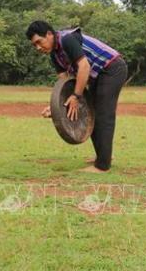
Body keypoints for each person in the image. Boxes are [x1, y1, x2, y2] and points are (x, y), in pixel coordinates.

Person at [26, 21, 128, 173]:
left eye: (39, 42)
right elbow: (66, 83)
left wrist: (76, 96)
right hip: (96, 76)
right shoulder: (54, 56)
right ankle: (103, 156)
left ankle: (102, 165)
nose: (38, 47)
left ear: (49, 34)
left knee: (103, 115)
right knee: (91, 113)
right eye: (34, 45)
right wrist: (56, 108)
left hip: (112, 68)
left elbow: (84, 66)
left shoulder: (67, 39)